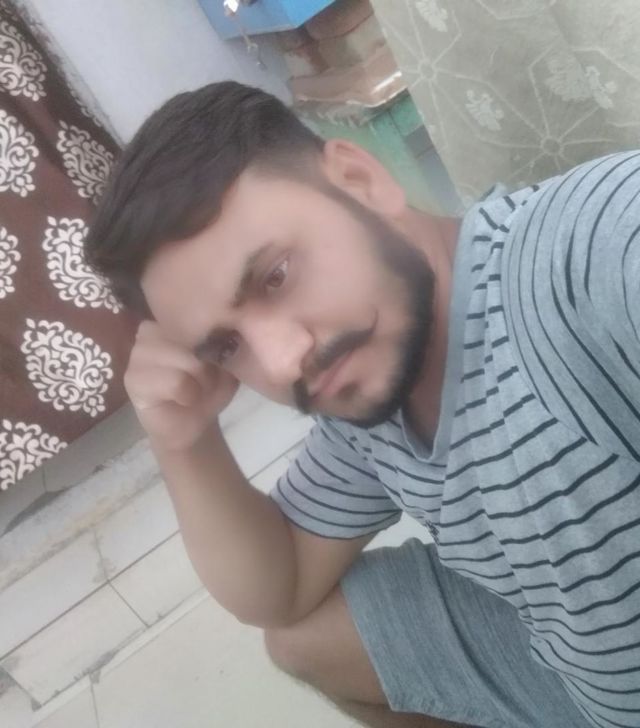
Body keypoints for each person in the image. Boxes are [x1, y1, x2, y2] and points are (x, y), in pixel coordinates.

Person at [84, 81, 640, 728]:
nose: (282, 362)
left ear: (360, 181)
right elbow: (281, 588)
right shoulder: (366, 405)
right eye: (227, 346)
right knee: (303, 639)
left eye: (275, 277)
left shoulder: (580, 260)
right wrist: (183, 440)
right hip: (584, 678)